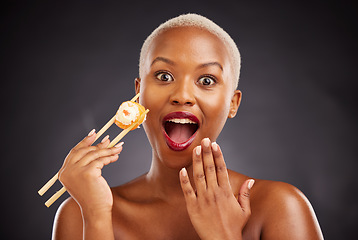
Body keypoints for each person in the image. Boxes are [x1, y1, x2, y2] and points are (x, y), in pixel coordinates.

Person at [52, 13, 324, 240]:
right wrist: (97, 217)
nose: (182, 95)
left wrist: (224, 235)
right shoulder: (80, 213)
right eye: (164, 75)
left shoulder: (279, 207)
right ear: (139, 93)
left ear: (232, 103)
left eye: (206, 80)